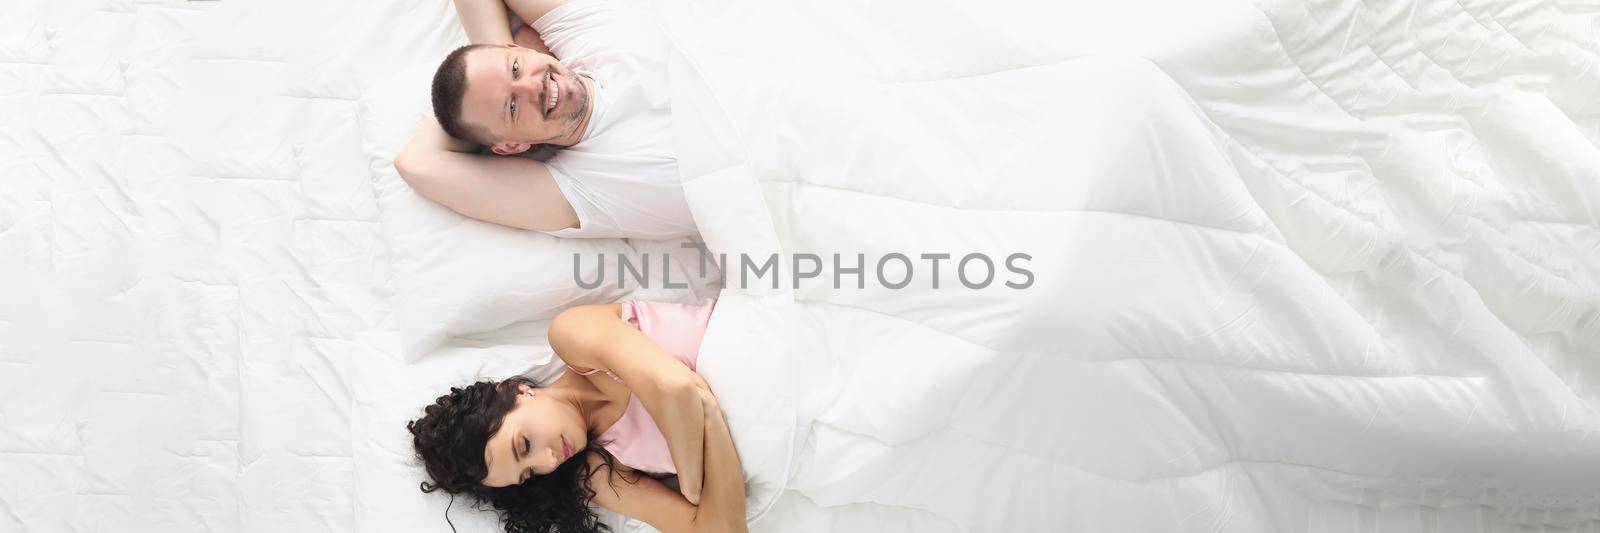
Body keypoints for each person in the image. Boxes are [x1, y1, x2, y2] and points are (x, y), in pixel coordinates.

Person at [406, 299, 749, 533]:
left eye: (524, 445)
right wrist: (709, 418)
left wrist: (692, 483)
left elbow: (675, 387)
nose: (550, 460)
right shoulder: (600, 473)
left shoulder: (569, 334)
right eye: (529, 473)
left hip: (761, 341)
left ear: (515, 391)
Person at [394, 0, 697, 240]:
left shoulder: (587, 30)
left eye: (515, 69)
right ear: (511, 145)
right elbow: (416, 163)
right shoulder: (583, 188)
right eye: (511, 107)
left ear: (517, 49)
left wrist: (498, 51)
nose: (532, 86)